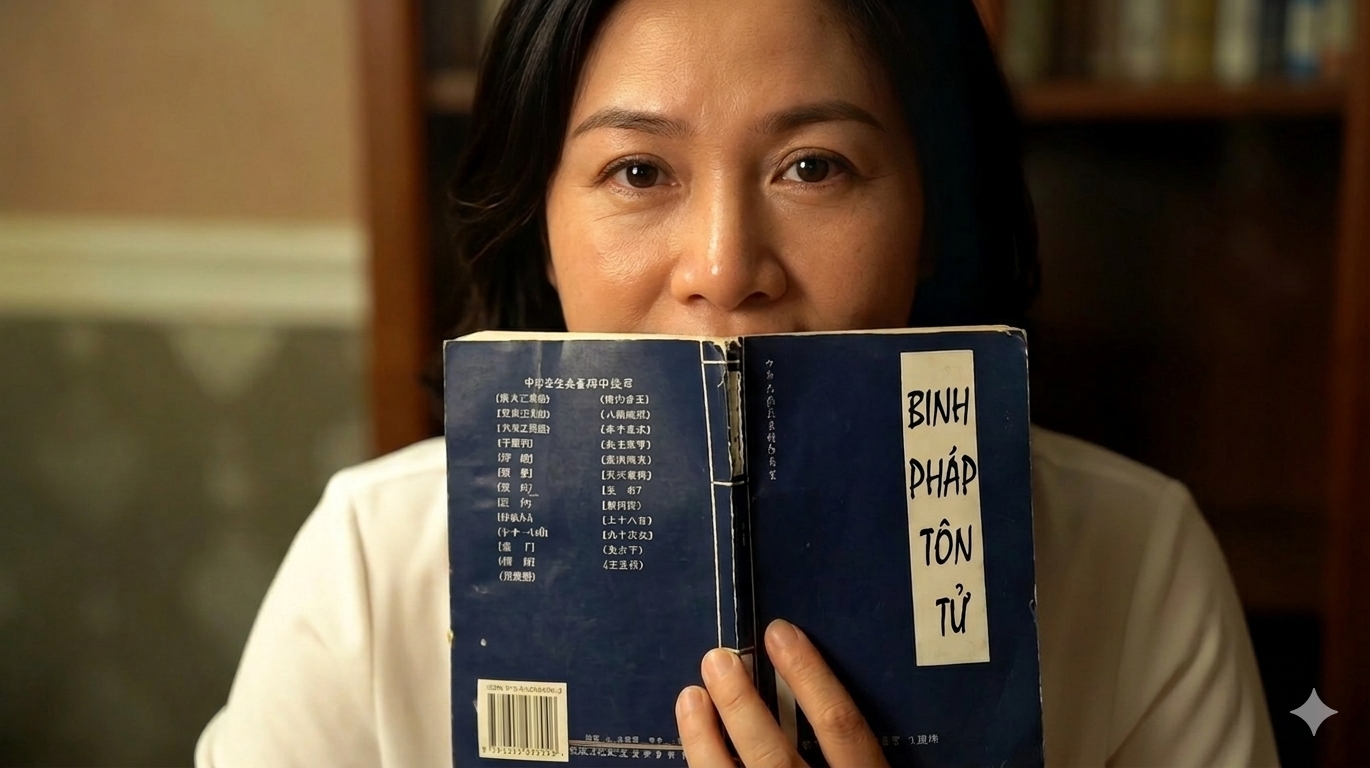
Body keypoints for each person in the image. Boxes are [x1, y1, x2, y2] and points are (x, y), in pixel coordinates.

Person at [196, 0, 1280, 765]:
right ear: (540, 226)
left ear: (932, 218)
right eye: (637, 171)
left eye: (813, 166)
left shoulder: (1137, 557)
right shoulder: (371, 565)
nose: (723, 269)